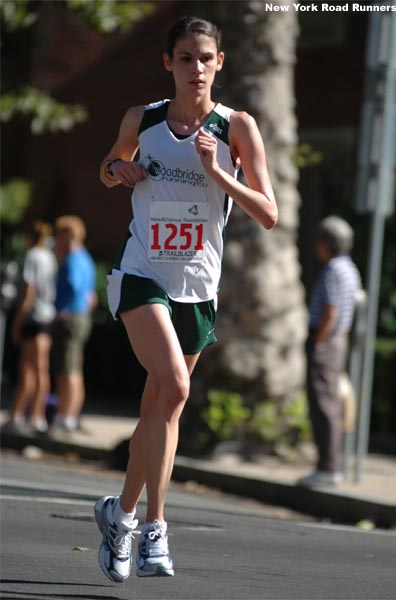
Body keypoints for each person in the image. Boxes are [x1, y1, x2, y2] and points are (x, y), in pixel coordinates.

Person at [95, 15, 278, 583]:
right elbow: (107, 167)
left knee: (159, 408)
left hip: (197, 286)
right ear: (167, 63)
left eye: (205, 58)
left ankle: (118, 514)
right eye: (184, 58)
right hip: (143, 273)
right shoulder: (142, 119)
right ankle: (154, 528)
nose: (194, 68)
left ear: (219, 62)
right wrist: (118, 170)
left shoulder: (236, 128)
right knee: (175, 385)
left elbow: (269, 213)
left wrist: (219, 174)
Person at [299, 216, 361, 488]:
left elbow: (330, 311)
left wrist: (318, 341)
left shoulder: (333, 270)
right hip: (339, 340)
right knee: (331, 402)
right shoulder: (349, 268)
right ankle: (330, 465)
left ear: (327, 243)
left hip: (327, 341)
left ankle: (328, 466)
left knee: (324, 403)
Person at [6, 221, 57, 434]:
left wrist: (17, 322)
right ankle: (37, 416)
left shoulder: (32, 256)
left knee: (26, 368)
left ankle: (17, 415)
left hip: (33, 317)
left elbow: (29, 290)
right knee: (41, 369)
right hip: (47, 315)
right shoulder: (49, 256)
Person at [50, 215, 97, 434]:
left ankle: (65, 416)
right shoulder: (86, 257)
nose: (57, 239)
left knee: (67, 369)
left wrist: (62, 309)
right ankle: (69, 415)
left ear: (69, 235)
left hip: (70, 318)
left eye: (59, 234)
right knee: (74, 367)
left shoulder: (72, 259)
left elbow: (73, 285)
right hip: (82, 316)